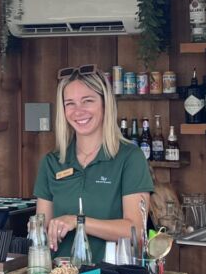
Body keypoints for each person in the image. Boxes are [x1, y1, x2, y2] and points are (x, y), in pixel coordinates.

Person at [33, 64, 153, 263]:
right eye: (69, 103)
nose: (78, 111)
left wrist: (78, 222)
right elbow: (41, 229)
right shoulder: (52, 162)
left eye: (87, 101)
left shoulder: (130, 158)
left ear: (105, 104)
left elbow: (136, 231)